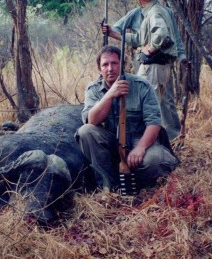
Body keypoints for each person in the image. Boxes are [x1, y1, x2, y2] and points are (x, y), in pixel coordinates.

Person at [75, 45, 179, 192]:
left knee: (155, 161)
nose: (110, 68)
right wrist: (110, 94)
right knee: (85, 131)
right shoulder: (93, 89)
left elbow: (154, 122)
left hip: (139, 140)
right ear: (100, 69)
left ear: (122, 65)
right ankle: (109, 185)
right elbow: (91, 120)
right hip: (110, 142)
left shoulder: (141, 85)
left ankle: (140, 184)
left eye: (114, 63)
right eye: (105, 64)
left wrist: (140, 148)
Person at [102, 0, 186, 140]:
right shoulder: (154, 11)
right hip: (157, 66)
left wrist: (151, 48)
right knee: (152, 103)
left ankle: (149, 143)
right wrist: (113, 33)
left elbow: (161, 35)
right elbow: (140, 39)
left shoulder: (155, 12)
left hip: (153, 66)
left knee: (146, 105)